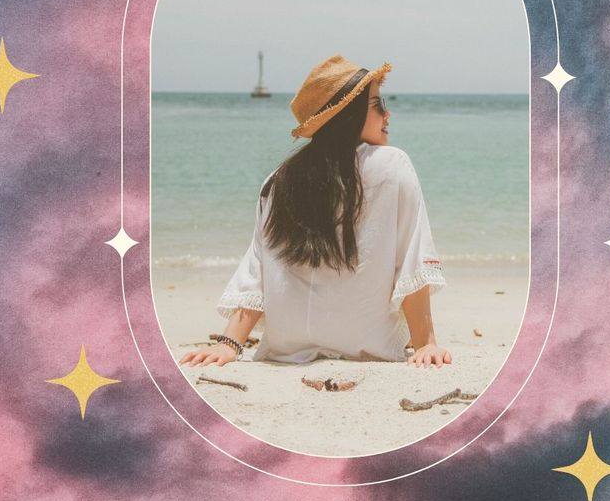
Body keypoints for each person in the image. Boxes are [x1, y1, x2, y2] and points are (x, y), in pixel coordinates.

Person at [180, 55, 452, 369]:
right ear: (348, 116)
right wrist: (426, 344)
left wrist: (230, 345)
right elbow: (411, 256)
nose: (388, 114)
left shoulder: (279, 180)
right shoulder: (392, 164)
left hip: (286, 347)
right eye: (377, 104)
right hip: (365, 343)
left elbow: (258, 267)